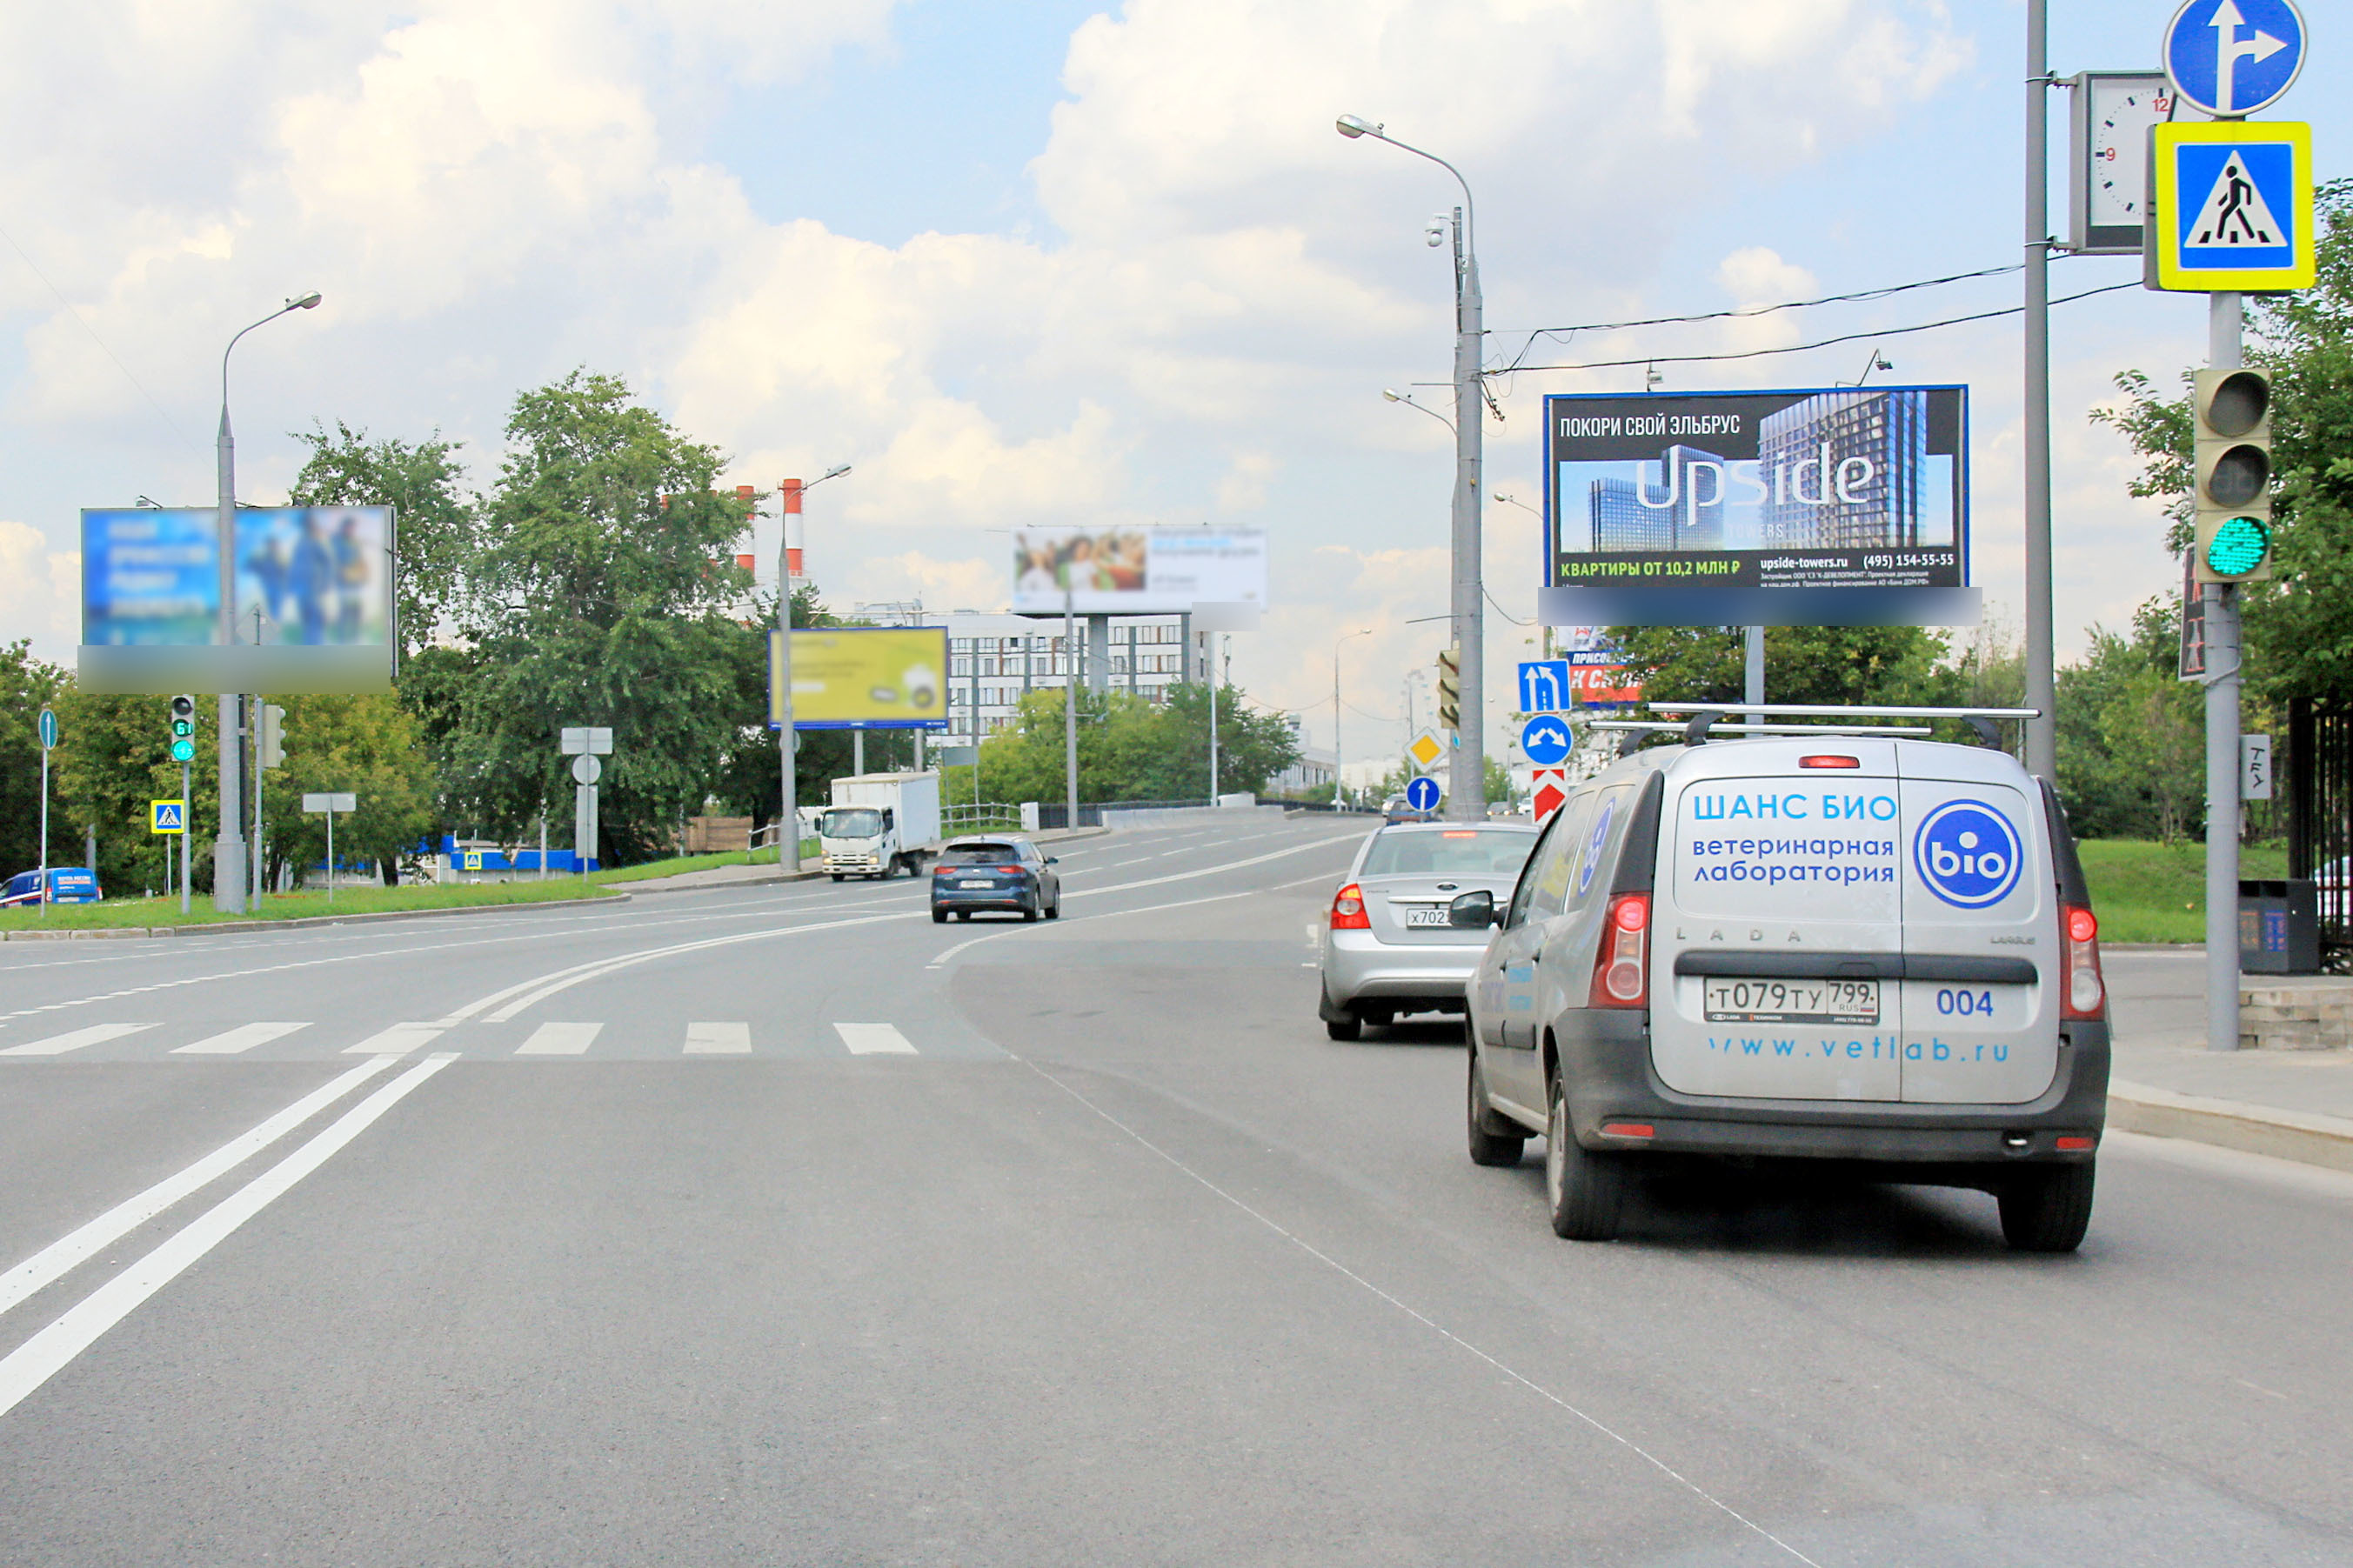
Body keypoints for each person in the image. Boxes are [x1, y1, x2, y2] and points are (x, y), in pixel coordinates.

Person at [290, 514, 333, 644]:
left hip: (312, 586)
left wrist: (324, 582)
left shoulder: (314, 543)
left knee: (315, 617)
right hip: (300, 587)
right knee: (306, 618)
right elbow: (295, 566)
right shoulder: (300, 543)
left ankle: (316, 643)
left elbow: (327, 562)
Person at [332, 514, 370, 643]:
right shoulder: (336, 542)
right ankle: (341, 639)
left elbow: (360, 561)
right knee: (345, 612)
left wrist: (362, 573)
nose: (351, 530)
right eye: (350, 527)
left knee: (356, 612)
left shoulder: (354, 544)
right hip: (342, 584)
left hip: (355, 584)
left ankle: (354, 639)